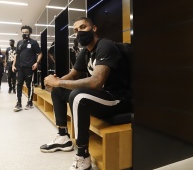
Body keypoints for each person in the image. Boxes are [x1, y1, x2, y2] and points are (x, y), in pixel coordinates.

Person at [40, 17, 132, 170]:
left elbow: (97, 82)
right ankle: (63, 137)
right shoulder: (85, 52)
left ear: (94, 28)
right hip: (100, 97)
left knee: (78, 96)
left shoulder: (105, 45)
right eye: (76, 30)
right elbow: (73, 74)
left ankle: (83, 156)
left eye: (83, 27)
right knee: (58, 90)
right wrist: (56, 82)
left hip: (117, 98)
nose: (79, 32)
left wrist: (59, 82)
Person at [12, 25, 42, 111]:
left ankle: (29, 102)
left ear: (30, 33)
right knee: (18, 85)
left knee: (29, 85)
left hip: (30, 68)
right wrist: (14, 65)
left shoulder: (33, 43)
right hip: (20, 68)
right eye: (23, 32)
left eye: (26, 32)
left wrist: (37, 63)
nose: (25, 34)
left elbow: (40, 53)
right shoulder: (19, 43)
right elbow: (16, 55)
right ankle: (19, 103)